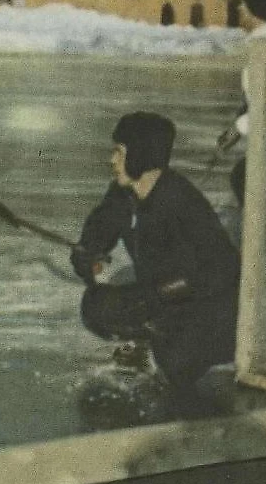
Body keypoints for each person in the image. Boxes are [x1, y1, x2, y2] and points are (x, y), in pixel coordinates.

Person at [71, 112, 240, 406]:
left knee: (176, 365)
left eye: (119, 152)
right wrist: (86, 253)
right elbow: (100, 228)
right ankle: (148, 340)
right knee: (97, 305)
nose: (112, 160)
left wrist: (161, 295)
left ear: (141, 155)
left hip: (206, 311)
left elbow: (222, 270)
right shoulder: (123, 194)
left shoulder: (180, 200)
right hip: (160, 301)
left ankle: (174, 351)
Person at [217, 0, 266, 210]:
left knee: (246, 178)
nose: (239, 10)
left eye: (242, 5)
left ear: (253, 10)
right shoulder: (265, 40)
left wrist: (239, 128)